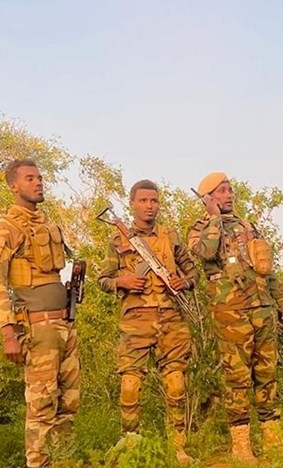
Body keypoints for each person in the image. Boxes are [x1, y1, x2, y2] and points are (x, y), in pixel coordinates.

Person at [187, 172, 283, 461]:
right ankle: (240, 444)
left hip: (262, 308)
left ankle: (273, 438)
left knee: (267, 373)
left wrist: (282, 300)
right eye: (221, 191)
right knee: (236, 378)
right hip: (231, 313)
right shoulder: (199, 228)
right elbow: (206, 252)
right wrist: (213, 218)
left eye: (230, 189)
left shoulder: (248, 226)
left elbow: (266, 268)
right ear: (208, 198)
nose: (229, 195)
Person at [0, 159, 79, 467]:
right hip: (37, 329)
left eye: (39, 177)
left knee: (69, 403)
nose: (38, 182)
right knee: (41, 406)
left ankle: (63, 462)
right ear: (14, 186)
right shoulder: (4, 228)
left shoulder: (49, 225)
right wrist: (8, 333)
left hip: (65, 324)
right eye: (29, 178)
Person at [98, 179, 196, 464]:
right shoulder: (118, 240)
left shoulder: (171, 236)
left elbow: (192, 272)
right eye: (143, 201)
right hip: (136, 320)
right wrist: (123, 282)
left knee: (176, 383)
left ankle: (178, 448)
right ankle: (131, 446)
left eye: (153, 201)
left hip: (171, 318)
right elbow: (103, 280)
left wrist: (183, 282)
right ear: (132, 204)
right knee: (130, 385)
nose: (149, 206)